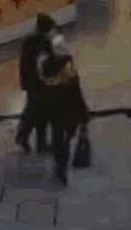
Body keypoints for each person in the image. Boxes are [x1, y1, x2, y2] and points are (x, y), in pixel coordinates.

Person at [37, 37, 90, 185]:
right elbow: (78, 100)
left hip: (60, 118)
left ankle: (60, 165)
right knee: (63, 141)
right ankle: (61, 166)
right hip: (66, 118)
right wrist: (83, 114)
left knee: (61, 140)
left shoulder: (50, 83)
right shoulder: (69, 80)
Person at [17, 13, 56, 154]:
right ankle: (35, 140)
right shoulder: (44, 42)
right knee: (39, 113)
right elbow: (49, 63)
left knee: (32, 110)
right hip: (41, 83)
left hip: (32, 82)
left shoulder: (29, 41)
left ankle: (25, 136)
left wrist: (24, 81)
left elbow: (24, 64)